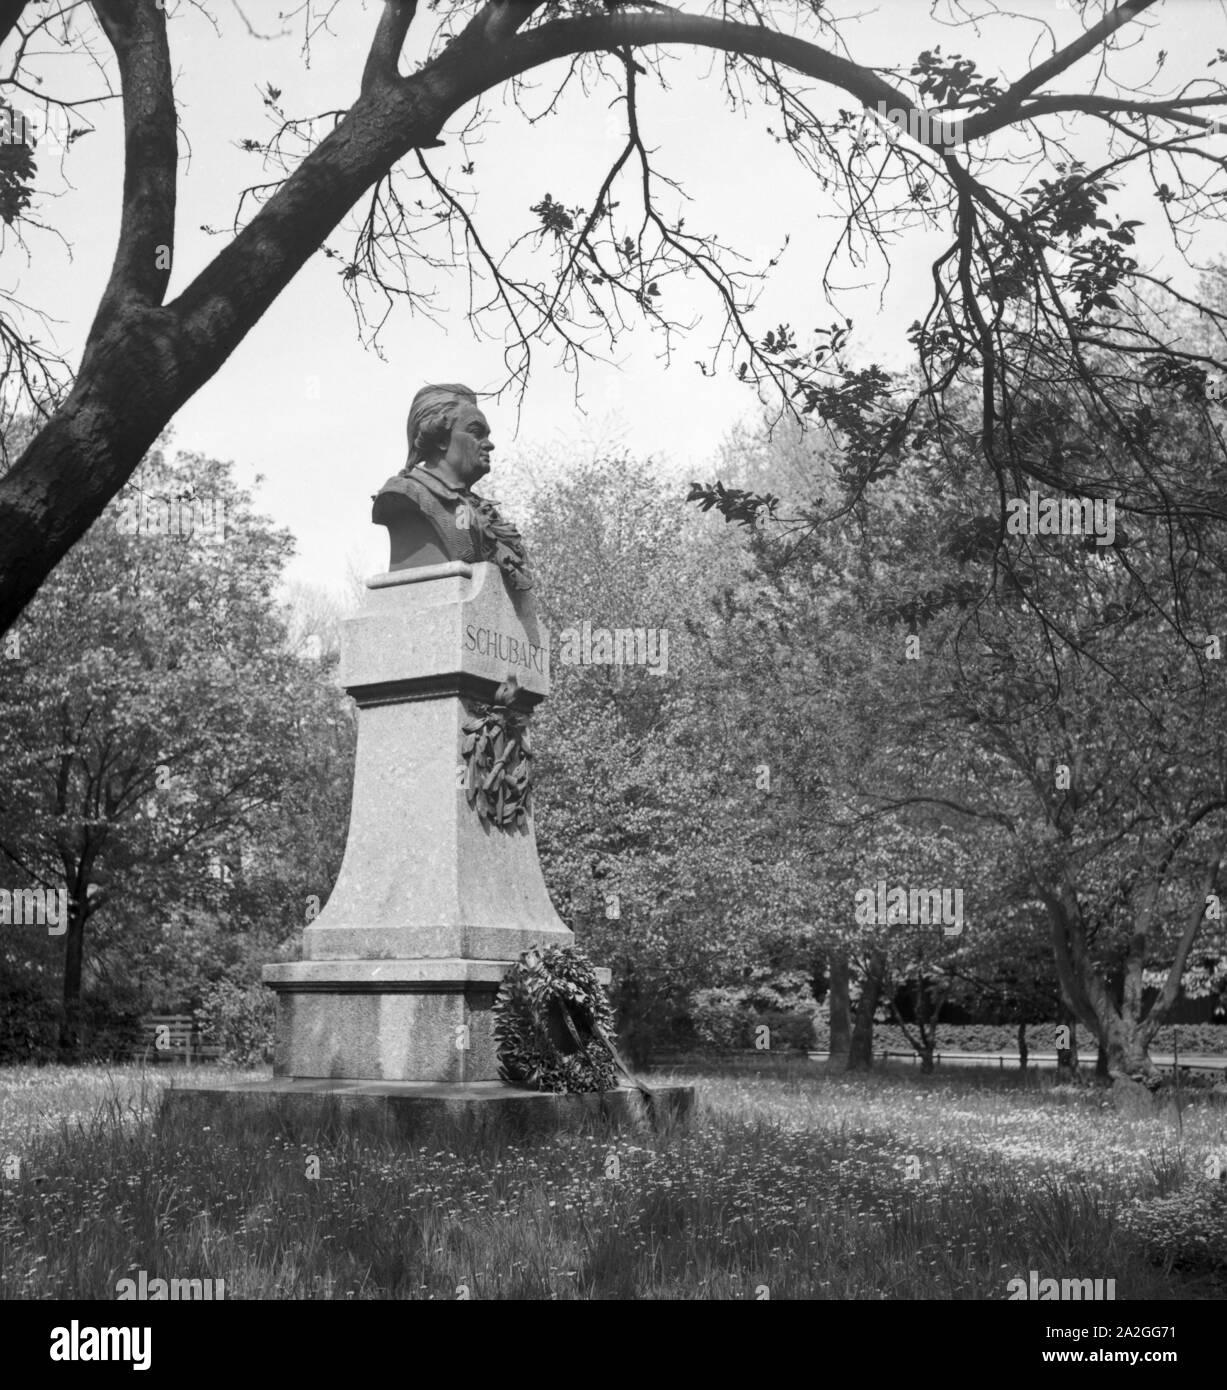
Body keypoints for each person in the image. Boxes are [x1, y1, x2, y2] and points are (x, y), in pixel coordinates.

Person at [372, 383, 532, 588]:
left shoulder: (471, 507)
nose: (489, 444)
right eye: (476, 432)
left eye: (487, 435)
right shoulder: (408, 494)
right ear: (440, 440)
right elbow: (464, 539)